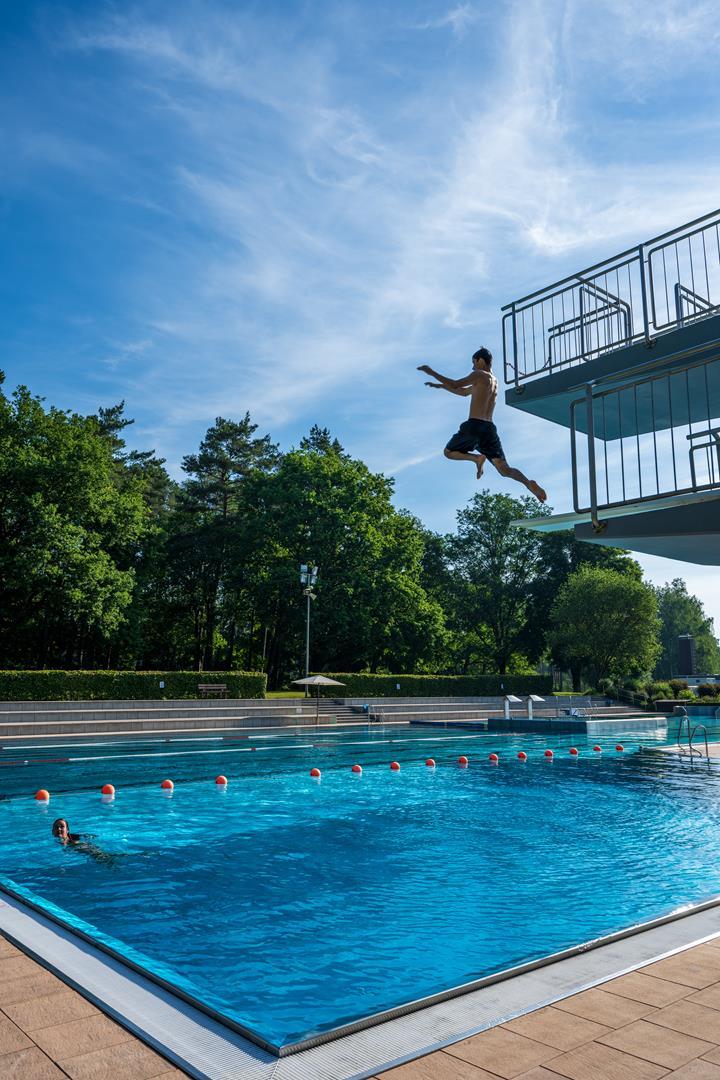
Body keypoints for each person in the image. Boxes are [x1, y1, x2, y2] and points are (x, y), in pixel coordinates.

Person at [418, 347, 547, 502]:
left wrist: (432, 372)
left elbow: (455, 384)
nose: (472, 367)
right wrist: (440, 386)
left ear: (480, 360)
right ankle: (527, 483)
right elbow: (463, 392)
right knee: (505, 470)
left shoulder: (479, 374)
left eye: (473, 363)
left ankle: (476, 459)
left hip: (474, 426)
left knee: (448, 452)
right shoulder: (493, 381)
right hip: (489, 429)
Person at [51, 818, 118, 866]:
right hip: (86, 848)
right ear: (52, 831)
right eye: (56, 827)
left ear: (67, 830)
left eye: (62, 827)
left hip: (85, 848)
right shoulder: (73, 837)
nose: (59, 829)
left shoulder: (68, 840)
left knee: (101, 858)